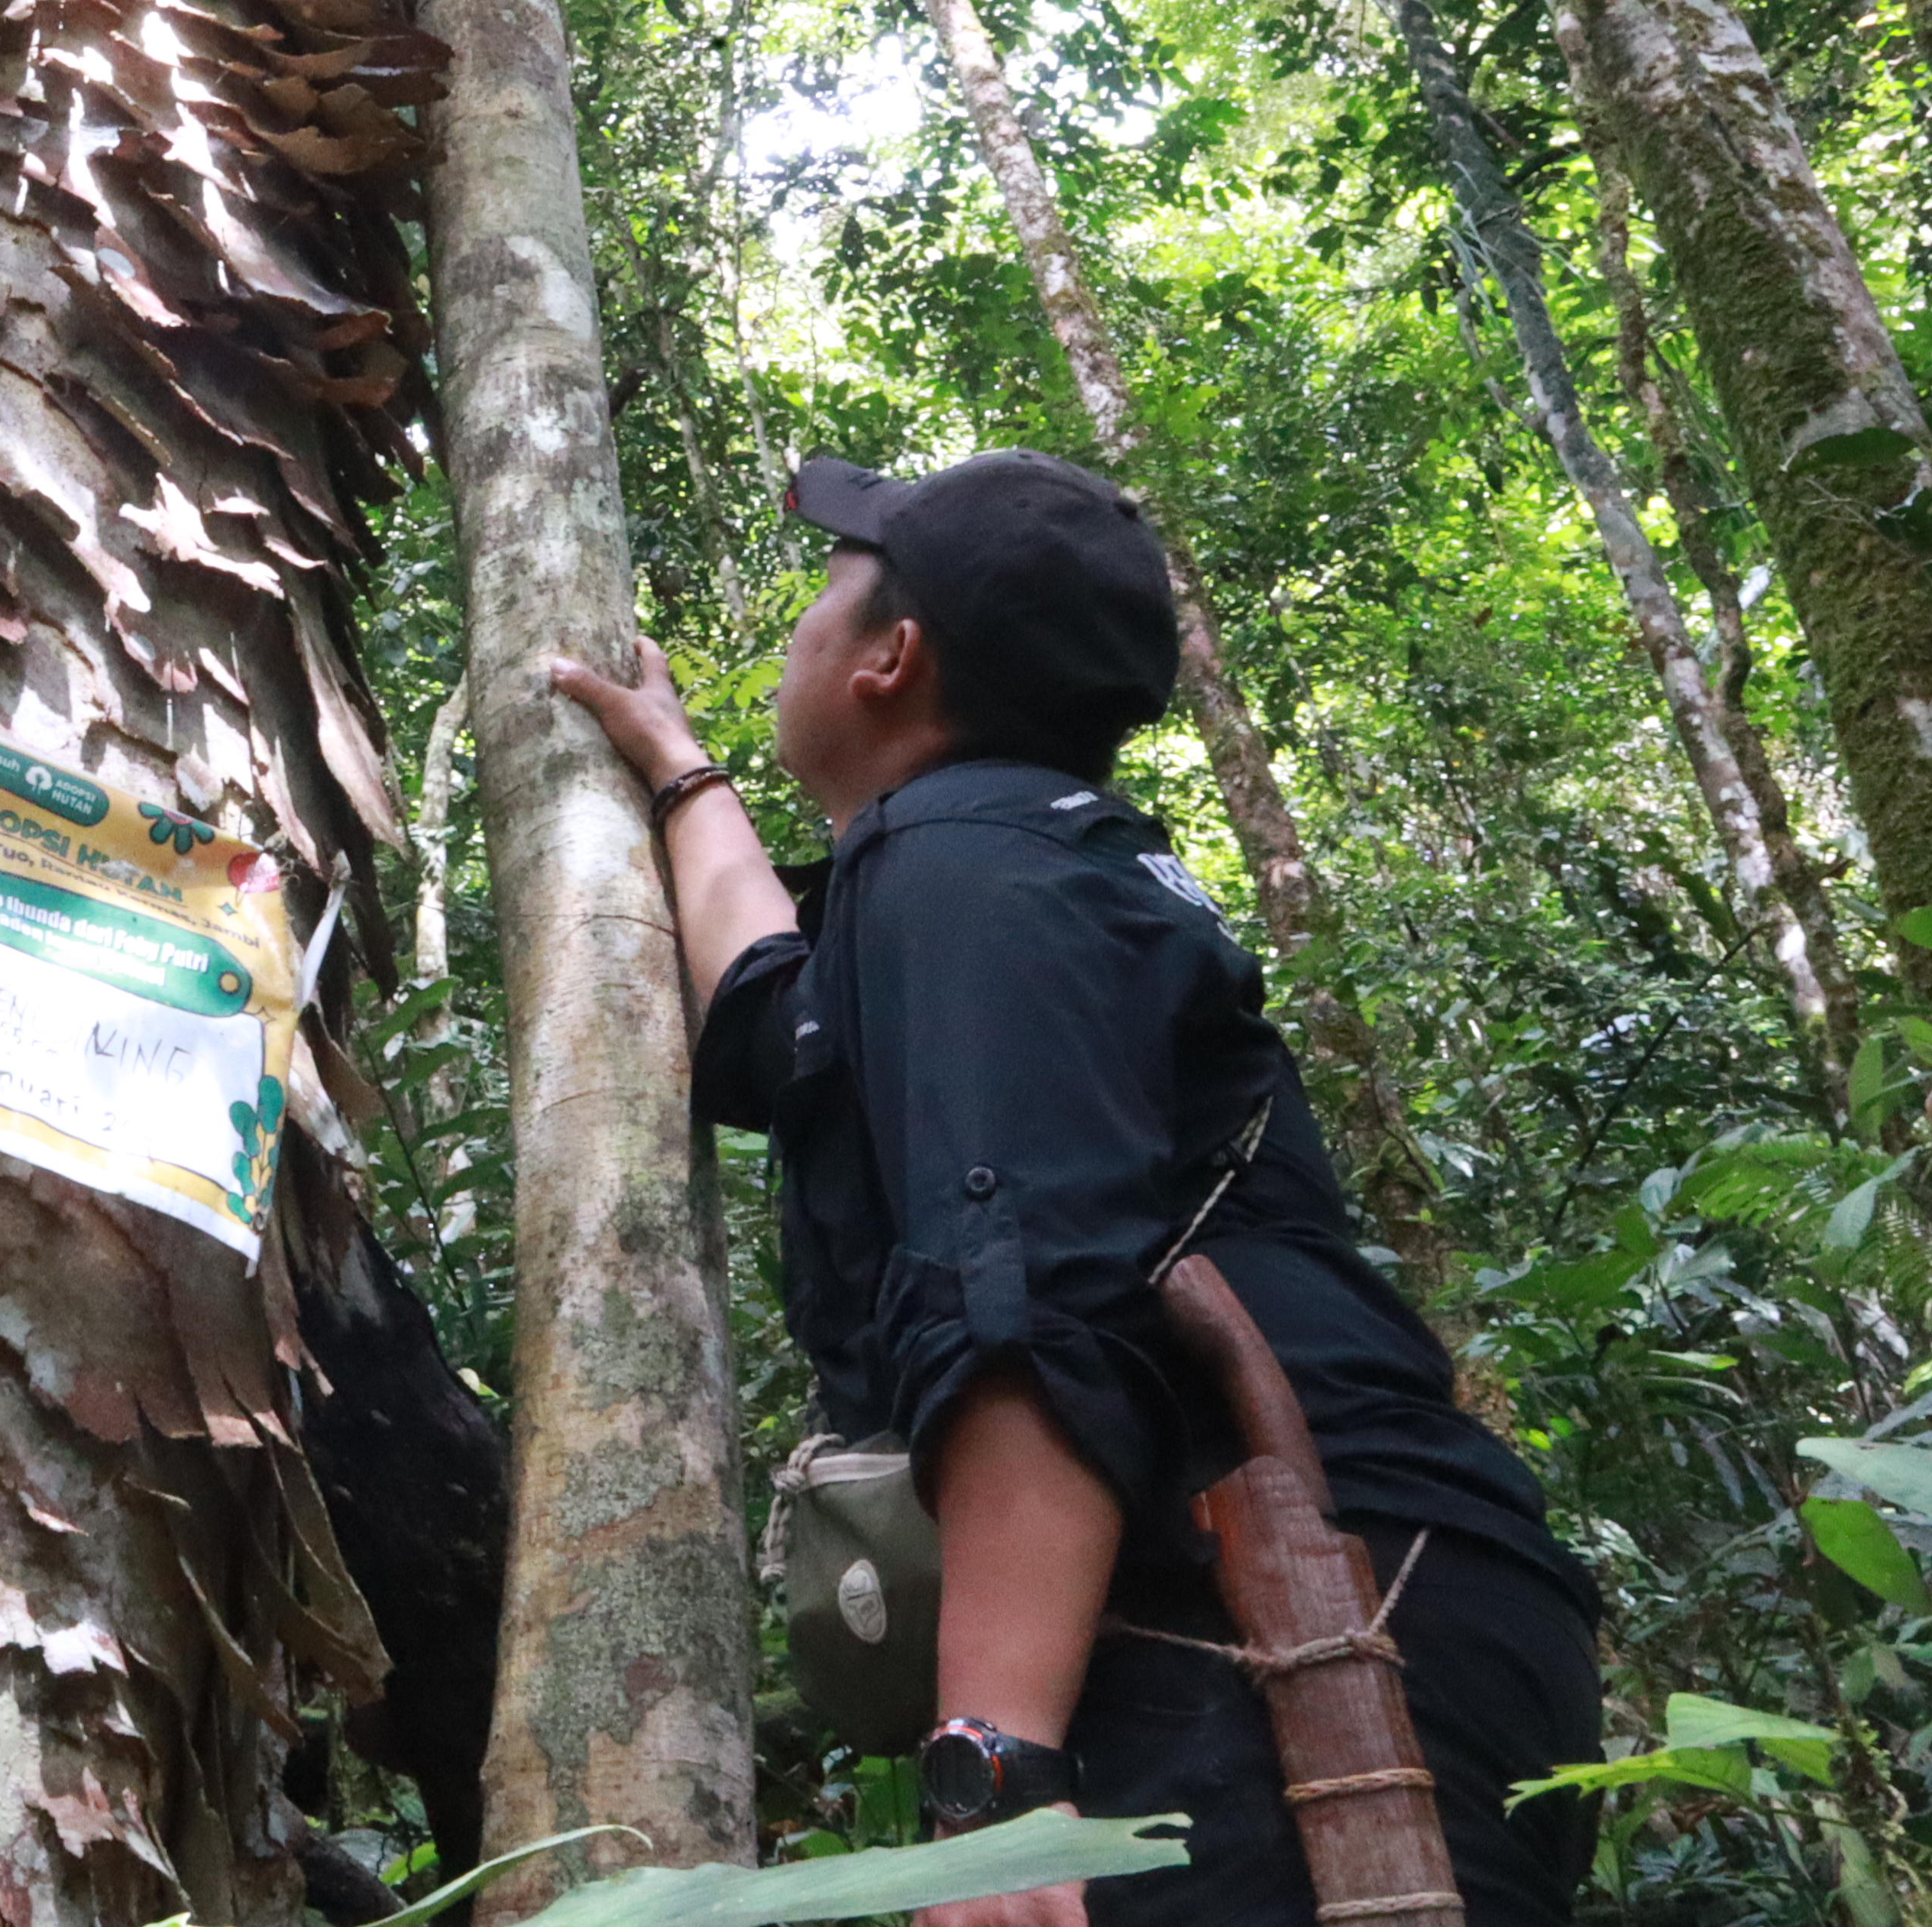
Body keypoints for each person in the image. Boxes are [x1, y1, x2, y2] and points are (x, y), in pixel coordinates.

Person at [549, 450, 1600, 1927]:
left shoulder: (958, 864)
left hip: (1286, 1605)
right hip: (1375, 1582)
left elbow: (1036, 1296)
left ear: (891, 657)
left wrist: (993, 1771)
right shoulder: (1001, 870)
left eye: (828, 592)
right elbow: (769, 1019)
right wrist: (680, 768)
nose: (801, 624)